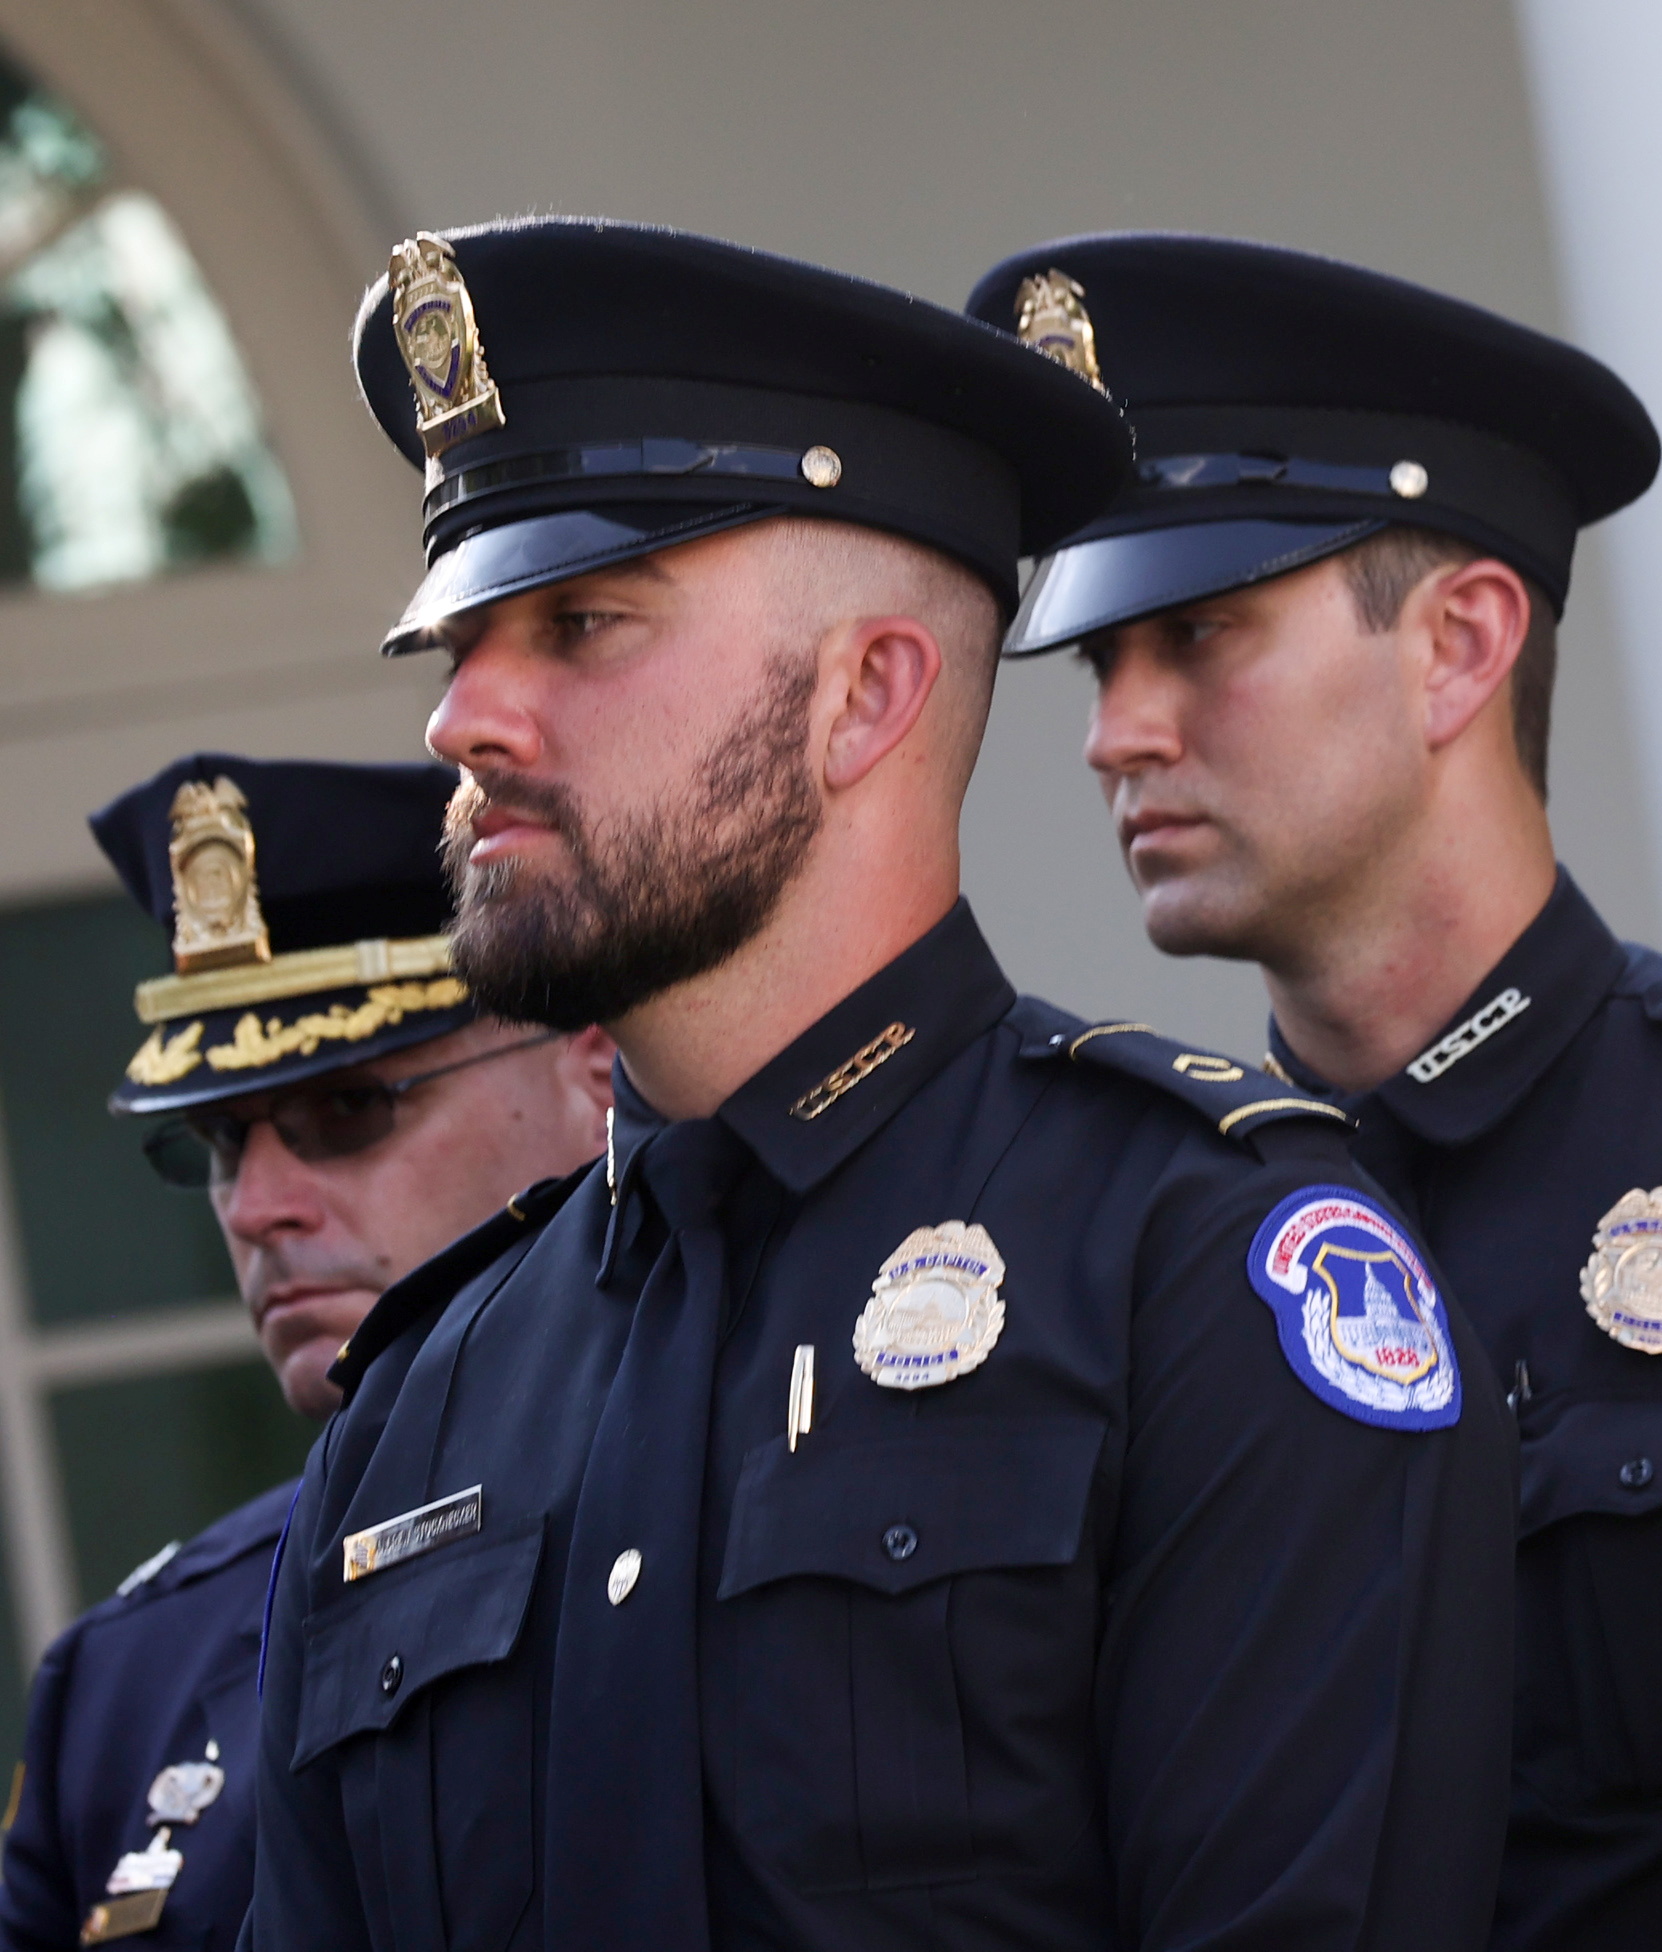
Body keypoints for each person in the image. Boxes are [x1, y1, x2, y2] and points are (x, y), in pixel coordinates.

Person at [246, 219, 1515, 1951]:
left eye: (579, 621)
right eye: (461, 641)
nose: (464, 716)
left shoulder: (1200, 1267)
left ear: (868, 693)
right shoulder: (423, 1404)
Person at [966, 234, 1662, 1952]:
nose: (1112, 732)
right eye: (1094, 665)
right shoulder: (1104, 1232)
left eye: (1195, 634)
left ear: (1458, 646)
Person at [0, 755, 611, 1952]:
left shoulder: (743, 1515)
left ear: (596, 1074)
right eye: (220, 1143)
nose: (254, 1203)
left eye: (349, 1110)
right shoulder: (128, 1676)